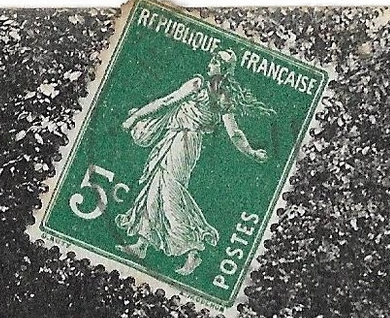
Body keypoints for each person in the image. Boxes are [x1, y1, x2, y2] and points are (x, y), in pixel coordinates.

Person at [117, 48, 274, 276]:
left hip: (184, 141)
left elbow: (167, 103)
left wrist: (135, 117)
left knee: (170, 192)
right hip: (180, 139)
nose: (210, 63)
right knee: (156, 188)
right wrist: (251, 152)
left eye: (215, 61)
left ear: (223, 69)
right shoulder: (214, 92)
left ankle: (192, 251)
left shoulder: (207, 89)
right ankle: (142, 244)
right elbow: (168, 103)